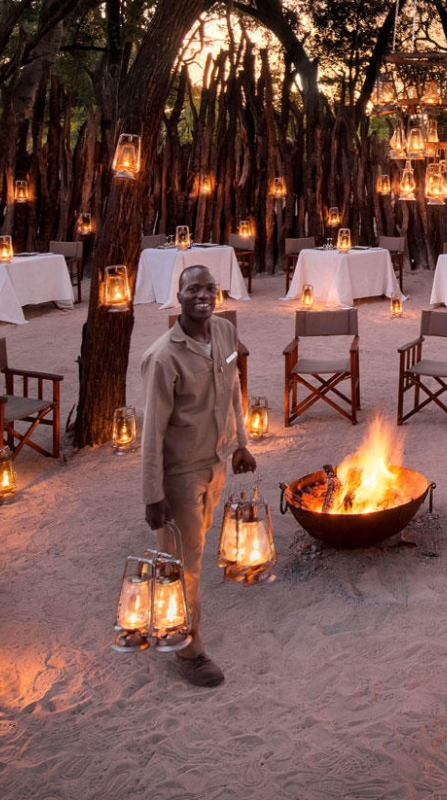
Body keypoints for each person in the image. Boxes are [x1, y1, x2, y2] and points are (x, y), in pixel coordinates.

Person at [140, 264, 255, 687]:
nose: (202, 296)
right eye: (193, 289)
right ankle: (188, 650)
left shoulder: (224, 333)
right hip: (181, 471)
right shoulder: (163, 358)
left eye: (209, 288)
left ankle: (163, 615)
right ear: (179, 295)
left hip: (215, 462)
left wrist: (240, 443)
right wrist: (153, 494)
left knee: (190, 548)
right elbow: (151, 432)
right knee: (184, 561)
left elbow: (232, 388)